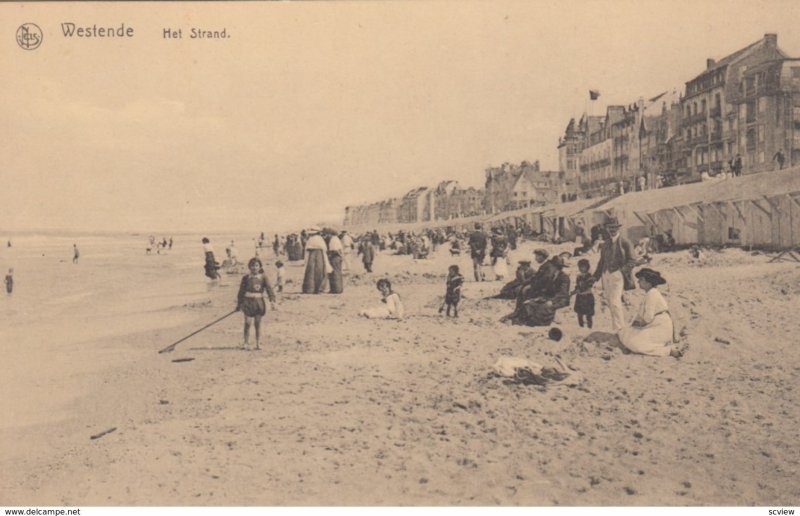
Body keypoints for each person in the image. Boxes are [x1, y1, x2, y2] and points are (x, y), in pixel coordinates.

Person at [618, 268, 677, 357]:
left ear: (648, 283)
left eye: (641, 280)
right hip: (657, 325)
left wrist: (638, 324)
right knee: (625, 333)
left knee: (635, 343)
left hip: (660, 328)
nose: (638, 282)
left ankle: (667, 351)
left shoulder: (652, 294)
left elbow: (648, 318)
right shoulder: (651, 293)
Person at [593, 218, 636, 332]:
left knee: (615, 301)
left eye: (614, 228)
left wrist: (621, 271)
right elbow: (601, 262)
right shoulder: (606, 244)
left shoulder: (625, 242)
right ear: (607, 229)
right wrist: (595, 277)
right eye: (610, 228)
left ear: (618, 228)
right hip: (605, 274)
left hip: (618, 275)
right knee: (609, 301)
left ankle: (620, 329)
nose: (612, 230)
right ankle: (616, 326)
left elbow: (632, 261)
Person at [505, 256, 571, 327]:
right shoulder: (551, 276)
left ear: (556, 267)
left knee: (543, 307)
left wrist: (551, 301)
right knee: (528, 304)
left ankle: (536, 323)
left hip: (560, 299)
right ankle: (521, 320)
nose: (550, 268)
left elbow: (562, 293)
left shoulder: (564, 277)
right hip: (549, 298)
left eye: (552, 266)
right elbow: (547, 290)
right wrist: (540, 298)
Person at [235, 257, 277, 351]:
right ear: (249, 267)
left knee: (257, 324)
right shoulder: (246, 278)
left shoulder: (263, 277)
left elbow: (269, 289)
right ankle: (245, 343)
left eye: (256, 265)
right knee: (247, 323)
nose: (254, 268)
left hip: (259, 303)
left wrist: (272, 300)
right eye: (252, 266)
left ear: (260, 267)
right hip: (248, 303)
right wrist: (239, 304)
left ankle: (258, 343)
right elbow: (241, 292)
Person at [302, 228, 331, 294]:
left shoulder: (310, 239)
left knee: (310, 271)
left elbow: (307, 248)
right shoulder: (320, 239)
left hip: (311, 255)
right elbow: (324, 248)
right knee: (319, 270)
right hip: (320, 255)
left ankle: (309, 289)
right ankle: (318, 288)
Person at [571, 258, 595, 328]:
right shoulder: (579, 276)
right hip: (580, 297)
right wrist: (574, 291)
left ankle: (589, 327)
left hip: (587, 297)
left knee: (588, 315)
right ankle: (581, 327)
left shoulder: (590, 276)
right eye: (580, 267)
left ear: (587, 267)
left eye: (583, 267)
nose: (581, 268)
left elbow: (589, 286)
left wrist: (580, 291)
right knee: (579, 314)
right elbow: (577, 286)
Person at [326, 229, 344, 294]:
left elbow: (334, 250)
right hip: (337, 258)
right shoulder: (336, 239)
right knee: (338, 273)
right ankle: (338, 289)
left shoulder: (333, 240)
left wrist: (329, 256)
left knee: (334, 273)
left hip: (335, 258)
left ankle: (335, 289)